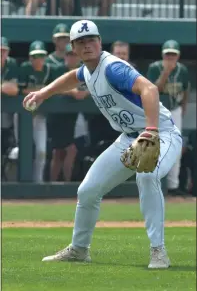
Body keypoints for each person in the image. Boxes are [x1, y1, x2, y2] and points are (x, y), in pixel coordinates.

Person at [23, 20, 182, 269]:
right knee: (87, 190)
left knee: (147, 176)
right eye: (81, 42)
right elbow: (72, 78)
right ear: (74, 48)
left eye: (92, 40)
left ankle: (158, 251)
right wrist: (44, 93)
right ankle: (79, 249)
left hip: (161, 132)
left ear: (99, 42)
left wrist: (151, 130)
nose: (88, 45)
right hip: (129, 137)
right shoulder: (87, 69)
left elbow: (149, 88)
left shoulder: (112, 68)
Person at [147, 40, 190, 196]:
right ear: (163, 55)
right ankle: (154, 184)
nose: (170, 57)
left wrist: (183, 109)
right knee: (156, 147)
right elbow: (154, 90)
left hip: (175, 110)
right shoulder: (154, 68)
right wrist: (165, 73)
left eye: (173, 54)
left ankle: (173, 186)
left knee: (176, 148)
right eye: (168, 54)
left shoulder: (183, 70)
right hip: (157, 111)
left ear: (178, 56)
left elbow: (186, 89)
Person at [48, 43, 89, 182]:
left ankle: (61, 184)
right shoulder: (58, 69)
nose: (72, 58)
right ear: (65, 57)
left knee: (66, 152)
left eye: (75, 55)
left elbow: (90, 88)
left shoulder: (84, 72)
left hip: (72, 118)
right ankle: (59, 185)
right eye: (69, 55)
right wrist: (72, 91)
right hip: (56, 117)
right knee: (62, 152)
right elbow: (51, 88)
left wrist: (85, 93)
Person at [19, 40, 56, 182]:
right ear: (30, 58)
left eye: (41, 56)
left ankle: (38, 182)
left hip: (40, 116)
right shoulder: (24, 68)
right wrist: (42, 91)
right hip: (22, 116)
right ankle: (19, 181)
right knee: (20, 150)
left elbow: (56, 90)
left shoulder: (49, 69)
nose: (38, 60)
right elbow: (19, 89)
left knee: (41, 151)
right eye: (35, 56)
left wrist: (40, 92)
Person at [1, 37, 19, 164]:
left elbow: (14, 89)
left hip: (6, 120)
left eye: (4, 50)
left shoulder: (11, 64)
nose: (1, 53)